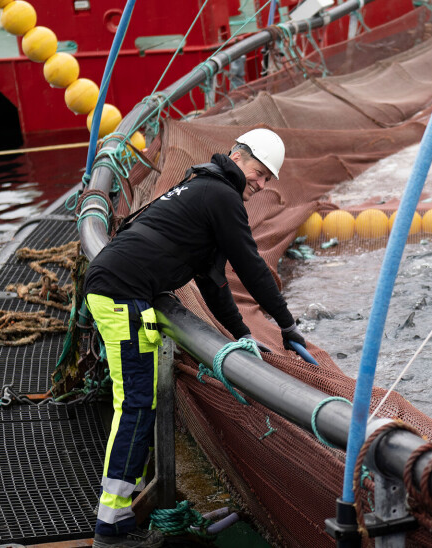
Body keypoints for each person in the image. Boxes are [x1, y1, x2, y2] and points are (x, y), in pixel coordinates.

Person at [83, 128, 306, 547]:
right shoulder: (221, 195)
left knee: (136, 404)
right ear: (238, 156)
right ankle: (109, 529)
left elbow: (213, 282)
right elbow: (252, 267)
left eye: (265, 181)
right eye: (258, 173)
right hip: (121, 296)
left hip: (120, 290)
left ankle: (115, 519)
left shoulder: (203, 189)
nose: (258, 185)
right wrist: (286, 323)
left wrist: (241, 334)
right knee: (134, 406)